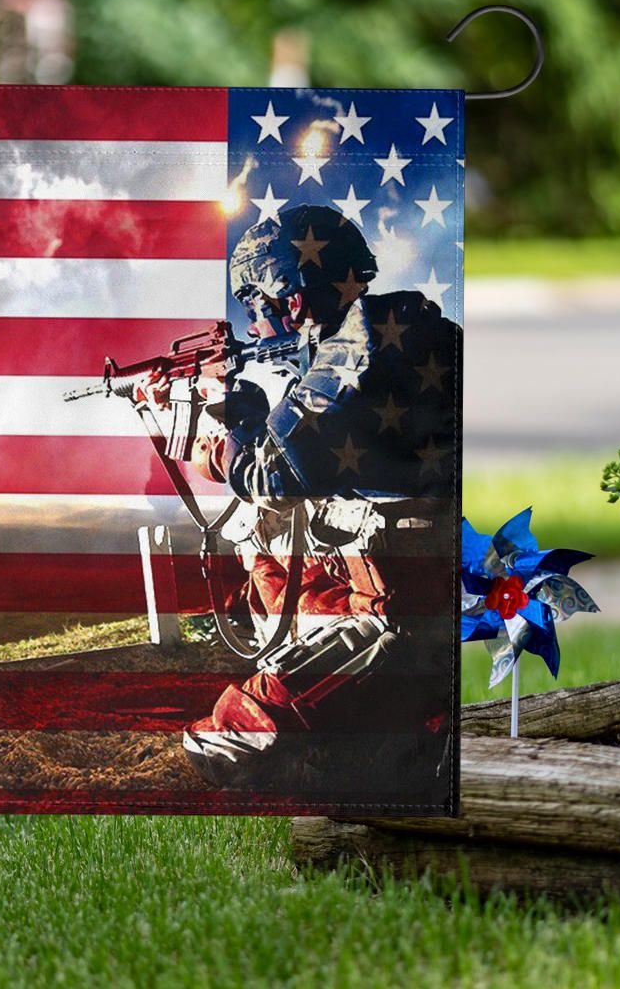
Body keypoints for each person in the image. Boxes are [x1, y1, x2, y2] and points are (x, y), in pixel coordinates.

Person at [142, 204, 459, 798]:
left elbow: (267, 472)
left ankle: (383, 750)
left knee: (229, 736)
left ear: (290, 299)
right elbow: (323, 464)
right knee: (265, 534)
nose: (254, 327)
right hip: (404, 594)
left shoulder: (353, 354)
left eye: (254, 306)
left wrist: (215, 417)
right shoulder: (403, 337)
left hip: (402, 627)